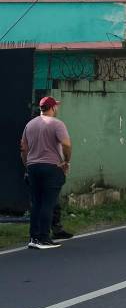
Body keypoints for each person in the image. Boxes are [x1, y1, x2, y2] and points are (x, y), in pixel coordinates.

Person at [20, 96, 71, 250]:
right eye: (56, 106)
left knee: (36, 203)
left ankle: (33, 238)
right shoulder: (57, 124)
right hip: (51, 167)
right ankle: (43, 238)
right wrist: (66, 161)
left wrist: (27, 166)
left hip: (33, 167)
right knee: (48, 203)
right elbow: (66, 144)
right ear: (53, 108)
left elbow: (23, 149)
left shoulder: (29, 125)